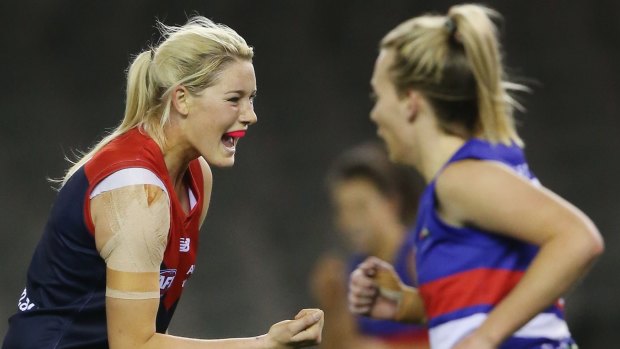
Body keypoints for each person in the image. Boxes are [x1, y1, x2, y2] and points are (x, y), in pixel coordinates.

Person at [3, 16, 323, 349]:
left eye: (252, 98)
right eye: (234, 99)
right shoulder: (137, 194)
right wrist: (264, 344)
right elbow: (134, 345)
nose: (250, 115)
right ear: (181, 99)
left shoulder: (197, 177)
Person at [347, 4, 604, 349]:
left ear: (411, 101)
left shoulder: (461, 180)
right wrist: (405, 304)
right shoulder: (458, 182)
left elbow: (578, 239)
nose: (375, 114)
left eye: (378, 96)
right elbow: (486, 297)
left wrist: (485, 337)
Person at [310, 142, 428, 349]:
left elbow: (463, 334)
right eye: (343, 210)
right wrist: (332, 305)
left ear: (391, 203)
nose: (350, 221)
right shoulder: (351, 272)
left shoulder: (419, 256)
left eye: (360, 207)